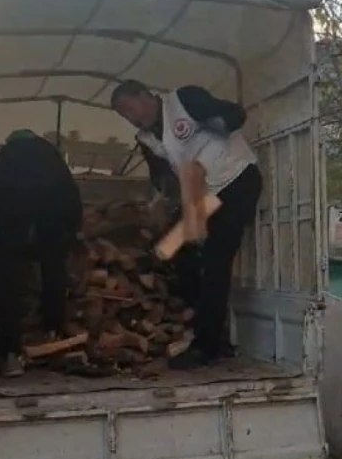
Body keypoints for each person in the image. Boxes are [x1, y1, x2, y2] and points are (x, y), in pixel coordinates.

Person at [110, 80, 262, 370]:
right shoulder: (145, 139)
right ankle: (205, 324)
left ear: (147, 94)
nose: (132, 118)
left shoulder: (185, 99)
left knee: (216, 259)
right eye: (124, 115)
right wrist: (164, 203)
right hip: (202, 196)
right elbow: (162, 177)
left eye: (131, 108)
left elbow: (233, 114)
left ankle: (207, 347)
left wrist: (223, 122)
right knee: (171, 249)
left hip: (236, 181)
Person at [0, 129, 84, 378]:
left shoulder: (4, 157)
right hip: (52, 226)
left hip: (12, 227)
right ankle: (54, 330)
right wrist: (71, 231)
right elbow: (71, 196)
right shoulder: (52, 156)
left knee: (6, 283)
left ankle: (9, 353)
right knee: (53, 273)